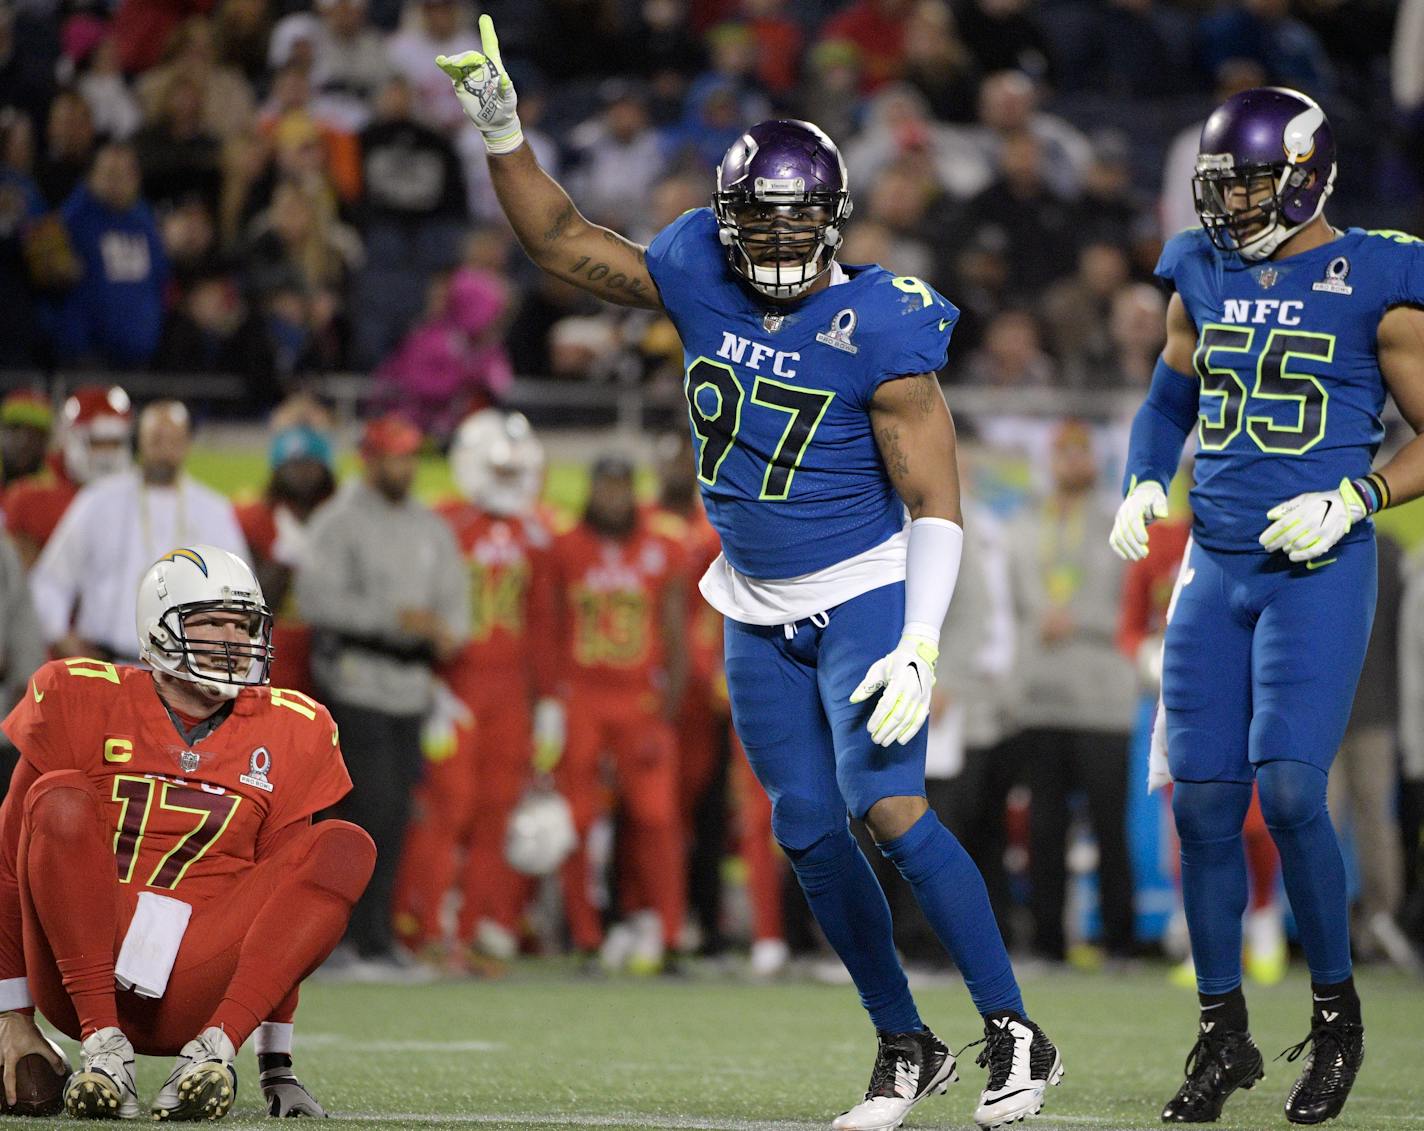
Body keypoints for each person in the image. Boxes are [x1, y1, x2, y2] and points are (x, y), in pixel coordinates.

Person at [436, 19, 1062, 1129]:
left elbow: (936, 500)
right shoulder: (690, 267)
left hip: (865, 582)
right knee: (806, 831)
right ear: (725, 224)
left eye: (797, 219)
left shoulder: (883, 321)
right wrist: (501, 128)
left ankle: (1015, 1030)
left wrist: (918, 642)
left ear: (836, 220)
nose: (776, 242)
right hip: (751, 602)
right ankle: (900, 1046)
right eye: (757, 221)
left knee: (891, 805)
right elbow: (561, 241)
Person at [1110, 87, 1424, 1124]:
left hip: (1316, 563)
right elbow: (1167, 398)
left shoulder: (1373, 270)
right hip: (1213, 566)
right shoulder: (1196, 267)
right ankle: (1220, 1034)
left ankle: (1335, 1020)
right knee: (1199, 802)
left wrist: (1358, 494)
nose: (1231, 202)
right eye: (1222, 183)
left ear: (1303, 174)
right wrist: (1145, 479)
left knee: (1289, 791)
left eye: (1247, 181)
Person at [0, 545, 373, 1120]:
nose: (234, 640)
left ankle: (214, 1053)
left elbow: (285, 908)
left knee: (340, 846)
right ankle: (104, 1053)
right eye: (210, 622)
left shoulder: (293, 728)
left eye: (244, 624)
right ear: (157, 629)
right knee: (61, 798)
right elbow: (7, 867)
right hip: (79, 974)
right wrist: (12, 1017)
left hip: (202, 978)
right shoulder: (79, 696)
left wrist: (277, 1064)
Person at [297, 413, 469, 977]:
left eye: (410, 456)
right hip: (354, 681)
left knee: (394, 815)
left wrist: (439, 630)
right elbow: (317, 601)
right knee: (361, 815)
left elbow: (456, 611)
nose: (404, 466)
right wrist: (397, 622)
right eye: (393, 456)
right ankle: (349, 940)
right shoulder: (337, 521)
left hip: (410, 689)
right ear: (369, 459)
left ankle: (376, 937)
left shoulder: (431, 527)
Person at [392, 409, 552, 966]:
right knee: (447, 806)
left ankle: (482, 926)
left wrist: (548, 702)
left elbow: (545, 625)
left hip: (511, 692)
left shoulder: (537, 533)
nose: (508, 480)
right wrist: (431, 683)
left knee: (496, 808)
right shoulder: (444, 523)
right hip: (457, 687)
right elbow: (413, 607)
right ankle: (427, 926)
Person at [541, 455, 689, 973]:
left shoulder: (662, 545)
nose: (612, 498)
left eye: (620, 487)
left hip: (639, 700)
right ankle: (584, 935)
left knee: (656, 818)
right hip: (581, 696)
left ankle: (669, 933)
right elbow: (549, 626)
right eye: (603, 487)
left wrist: (667, 709)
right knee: (577, 818)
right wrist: (549, 703)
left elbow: (675, 633)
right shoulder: (564, 547)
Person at [1006, 421, 1136, 964]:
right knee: (1044, 827)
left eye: (1081, 452)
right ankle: (1047, 943)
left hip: (1103, 699)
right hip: (1040, 696)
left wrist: (1076, 618)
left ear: (1097, 460)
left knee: (1109, 825)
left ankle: (1121, 943)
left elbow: (1133, 605)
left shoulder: (1120, 524)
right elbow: (1013, 597)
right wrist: (1044, 617)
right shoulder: (1022, 523)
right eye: (1062, 452)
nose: (1071, 462)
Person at [30, 400, 248, 664]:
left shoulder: (214, 511)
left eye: (173, 440)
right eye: (156, 439)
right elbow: (50, 581)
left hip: (185, 673)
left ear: (187, 444)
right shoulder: (98, 501)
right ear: (140, 441)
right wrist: (61, 636)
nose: (164, 449)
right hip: (105, 664)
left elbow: (239, 595)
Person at [4, 385, 133, 570]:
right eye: (96, 442)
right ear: (71, 441)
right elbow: (17, 578)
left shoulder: (140, 496)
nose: (106, 454)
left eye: (114, 443)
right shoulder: (28, 498)